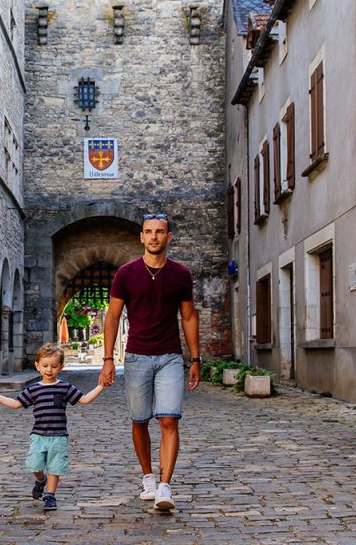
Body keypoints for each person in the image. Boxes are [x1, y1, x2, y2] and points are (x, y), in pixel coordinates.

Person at [99, 214, 201, 512]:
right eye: (148, 232)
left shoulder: (181, 274)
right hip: (136, 356)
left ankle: (165, 486)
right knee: (139, 420)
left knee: (169, 419)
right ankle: (148, 478)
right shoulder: (126, 274)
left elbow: (189, 316)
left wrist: (195, 358)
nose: (154, 237)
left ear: (169, 237)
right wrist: (107, 359)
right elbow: (113, 316)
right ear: (141, 238)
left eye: (160, 232)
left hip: (170, 356)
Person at [0, 343, 105, 511]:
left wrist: (101, 386)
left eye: (53, 366)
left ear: (61, 367)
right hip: (38, 435)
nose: (49, 370)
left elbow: (84, 400)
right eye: (45, 366)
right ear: (38, 366)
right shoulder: (34, 389)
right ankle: (40, 480)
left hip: (59, 435)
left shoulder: (64, 387)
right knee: (35, 465)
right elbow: (16, 404)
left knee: (55, 466)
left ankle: (50, 496)